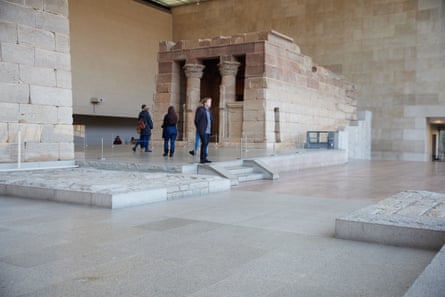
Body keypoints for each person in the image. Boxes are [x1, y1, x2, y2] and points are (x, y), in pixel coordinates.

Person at [194, 97, 212, 164]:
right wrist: (199, 128)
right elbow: (196, 120)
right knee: (204, 143)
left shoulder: (209, 111)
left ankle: (205, 158)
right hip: (202, 130)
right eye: (209, 102)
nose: (210, 103)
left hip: (208, 130)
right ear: (205, 103)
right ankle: (202, 159)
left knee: (206, 144)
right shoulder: (200, 109)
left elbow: (210, 120)